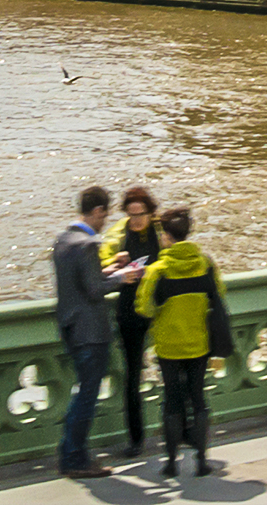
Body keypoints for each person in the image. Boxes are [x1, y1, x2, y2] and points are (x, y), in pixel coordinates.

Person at [50, 185, 144, 480]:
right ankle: (75, 459)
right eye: (105, 214)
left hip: (69, 326)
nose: (105, 221)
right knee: (86, 396)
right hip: (91, 331)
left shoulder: (63, 240)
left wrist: (110, 268)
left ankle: (70, 454)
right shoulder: (89, 245)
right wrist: (123, 277)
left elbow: (82, 280)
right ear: (98, 211)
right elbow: (94, 290)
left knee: (81, 392)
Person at [133, 205, 231, 479]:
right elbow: (218, 295)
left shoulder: (158, 270)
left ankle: (172, 463)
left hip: (168, 347)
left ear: (166, 236)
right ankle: (201, 461)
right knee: (199, 398)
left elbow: (145, 308)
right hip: (198, 344)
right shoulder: (206, 263)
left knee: (172, 400)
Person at [108, 186, 162, 456]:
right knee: (132, 377)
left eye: (140, 214)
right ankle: (136, 439)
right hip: (129, 311)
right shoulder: (120, 234)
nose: (136, 220)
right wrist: (115, 264)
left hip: (160, 310)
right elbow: (101, 259)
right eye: (131, 215)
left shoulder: (162, 232)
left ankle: (180, 429)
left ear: (150, 212)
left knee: (173, 370)